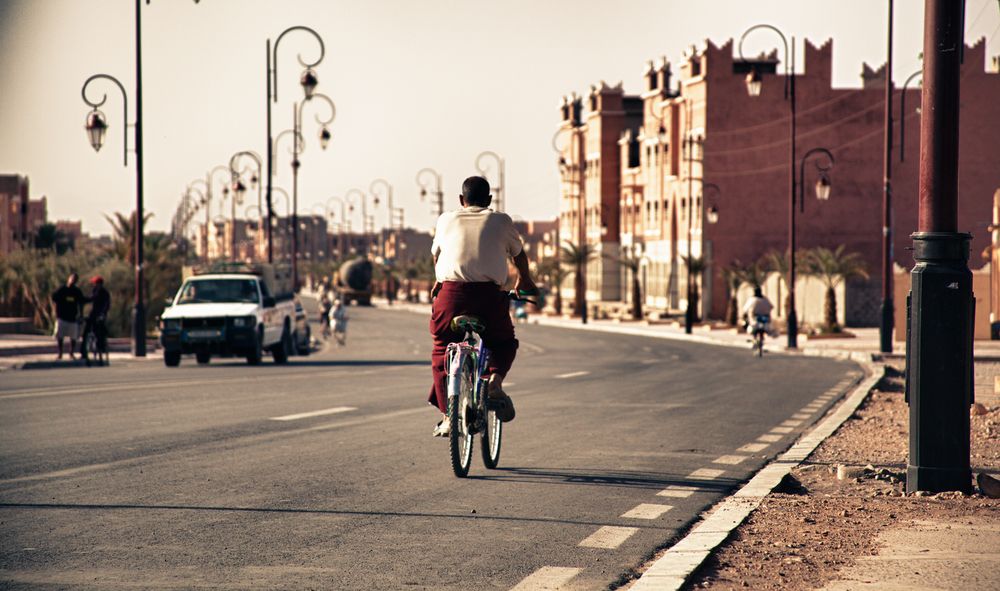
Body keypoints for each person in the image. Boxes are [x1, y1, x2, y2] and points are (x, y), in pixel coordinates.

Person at [427, 175, 536, 437]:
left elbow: (437, 255)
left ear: (461, 200)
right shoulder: (500, 220)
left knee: (442, 349)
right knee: (503, 343)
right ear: (489, 200)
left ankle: (447, 416)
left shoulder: (446, 219)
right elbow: (518, 254)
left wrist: (438, 282)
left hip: (449, 296)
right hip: (488, 296)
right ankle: (494, 382)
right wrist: (525, 280)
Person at [51, 273, 85, 360]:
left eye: (75, 279)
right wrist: (55, 311)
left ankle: (71, 353)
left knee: (73, 337)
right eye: (72, 279)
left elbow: (81, 303)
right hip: (61, 317)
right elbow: (54, 299)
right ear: (68, 279)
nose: (73, 281)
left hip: (72, 318)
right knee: (59, 336)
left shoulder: (77, 291)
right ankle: (60, 353)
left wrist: (81, 315)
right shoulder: (62, 289)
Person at [82, 275, 111, 362]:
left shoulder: (104, 293)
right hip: (93, 314)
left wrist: (102, 314)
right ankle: (84, 352)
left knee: (100, 332)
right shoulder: (95, 290)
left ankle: (101, 348)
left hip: (100, 315)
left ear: (99, 284)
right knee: (86, 332)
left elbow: (106, 305)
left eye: (95, 283)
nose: (94, 285)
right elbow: (91, 298)